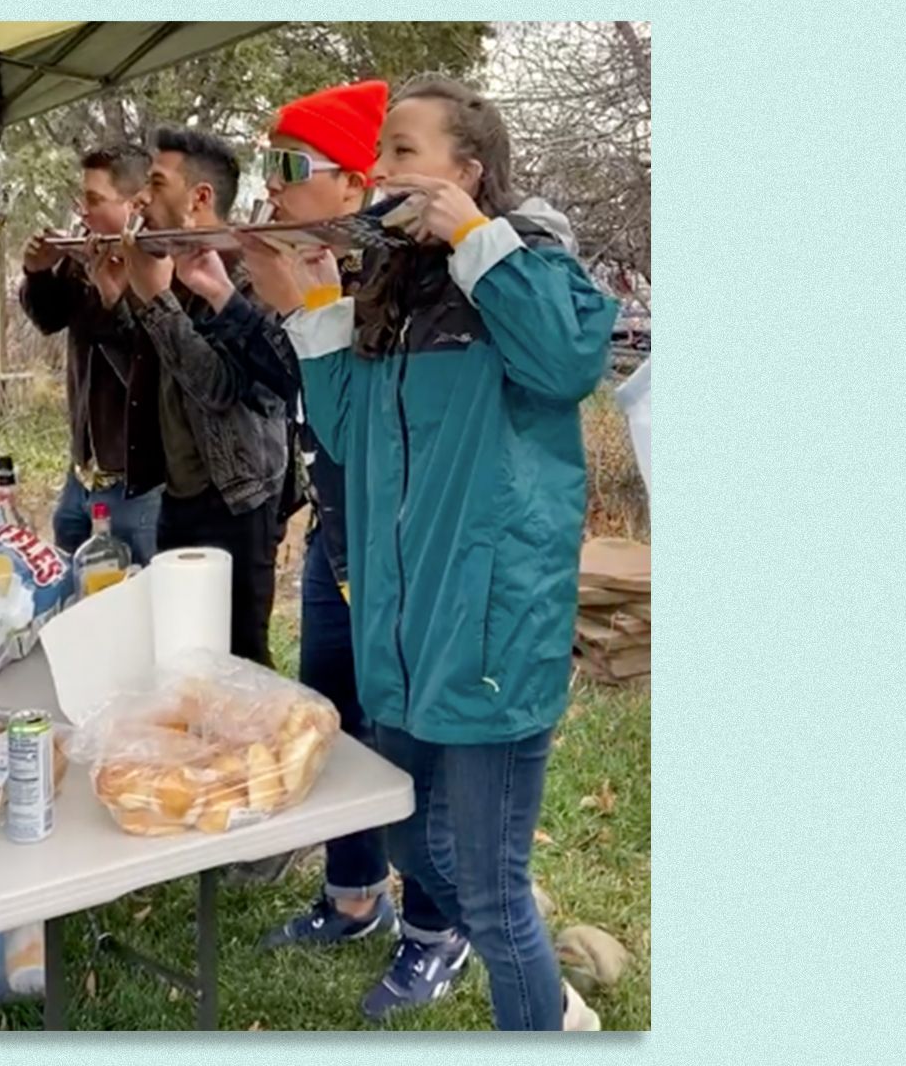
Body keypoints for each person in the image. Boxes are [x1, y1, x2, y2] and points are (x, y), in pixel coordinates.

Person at [256, 75, 619, 1031]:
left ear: (468, 171)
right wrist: (313, 300)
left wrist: (473, 239)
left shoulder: (527, 266)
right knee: (412, 836)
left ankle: (539, 1002)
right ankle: (535, 971)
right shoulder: (398, 288)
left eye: (403, 151)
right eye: (381, 152)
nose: (379, 171)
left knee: (493, 892)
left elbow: (569, 362)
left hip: (491, 632)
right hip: (405, 630)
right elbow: (341, 433)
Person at [204, 79, 473, 1021]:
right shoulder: (313, 263)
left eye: (289, 168)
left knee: (413, 743)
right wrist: (223, 298)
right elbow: (286, 390)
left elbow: (365, 417)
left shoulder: (408, 278)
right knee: (327, 717)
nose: (269, 189)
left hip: (400, 553)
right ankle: (353, 893)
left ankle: (438, 929)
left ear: (358, 185)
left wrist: (293, 301)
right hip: (334, 537)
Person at [117, 126, 290, 668]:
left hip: (237, 503)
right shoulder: (166, 265)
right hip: (179, 496)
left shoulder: (254, 272)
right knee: (181, 656)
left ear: (200, 198)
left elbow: (219, 388)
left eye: (155, 182)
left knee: (240, 666)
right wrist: (122, 290)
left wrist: (154, 299)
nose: (141, 198)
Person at [18, 144, 163, 567]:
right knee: (73, 595)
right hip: (80, 474)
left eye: (95, 200)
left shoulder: (159, 264)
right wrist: (39, 271)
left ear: (135, 203)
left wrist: (112, 296)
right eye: (82, 199)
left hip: (136, 485)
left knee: (136, 607)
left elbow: (149, 366)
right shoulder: (83, 256)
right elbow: (48, 319)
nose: (83, 211)